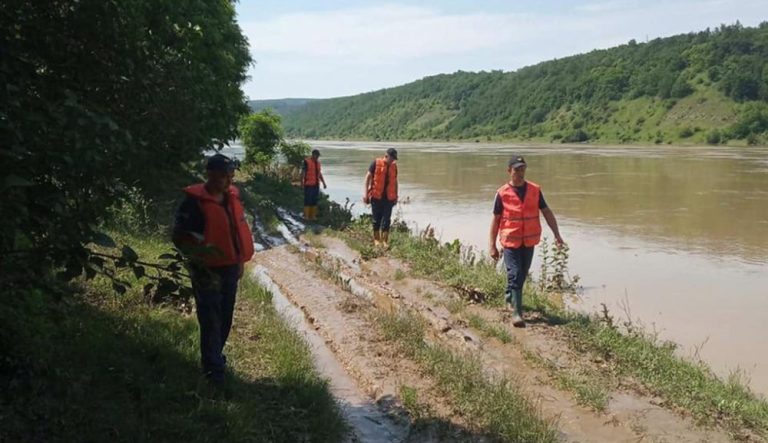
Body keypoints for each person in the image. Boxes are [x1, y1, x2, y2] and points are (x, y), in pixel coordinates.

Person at [173, 153, 255, 383]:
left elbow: (234, 235)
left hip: (229, 268)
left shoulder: (231, 199)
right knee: (210, 317)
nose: (228, 181)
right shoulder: (194, 203)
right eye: (223, 176)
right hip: (205, 270)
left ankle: (215, 357)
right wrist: (198, 262)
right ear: (210, 175)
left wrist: (239, 263)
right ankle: (213, 372)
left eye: (230, 176)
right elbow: (180, 237)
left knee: (225, 315)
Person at [489, 154, 564, 327]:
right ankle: (517, 313)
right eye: (517, 169)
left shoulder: (535, 190)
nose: (520, 173)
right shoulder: (502, 194)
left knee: (522, 274)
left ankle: (510, 295)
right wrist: (492, 245)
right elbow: (496, 220)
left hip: (529, 241)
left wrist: (557, 235)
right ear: (509, 171)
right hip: (510, 242)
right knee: (515, 273)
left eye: (523, 169)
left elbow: (546, 212)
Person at [363, 147, 398, 248]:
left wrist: (396, 195)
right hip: (376, 197)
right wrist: (365, 194)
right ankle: (376, 239)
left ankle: (385, 241)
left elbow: (395, 182)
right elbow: (367, 178)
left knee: (387, 219)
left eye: (394, 159)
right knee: (376, 219)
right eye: (392, 158)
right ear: (386, 156)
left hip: (389, 198)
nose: (393, 160)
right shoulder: (375, 163)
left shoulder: (394, 167)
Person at [301, 149, 327, 221]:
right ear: (313, 155)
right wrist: (301, 183)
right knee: (308, 200)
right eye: (317, 155)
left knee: (314, 200)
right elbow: (303, 173)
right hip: (308, 184)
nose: (318, 157)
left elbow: (319, 174)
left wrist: (324, 183)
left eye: (318, 156)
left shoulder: (318, 163)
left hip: (316, 185)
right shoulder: (306, 162)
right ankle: (306, 216)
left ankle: (312, 216)